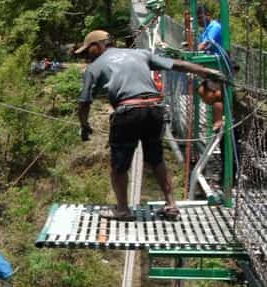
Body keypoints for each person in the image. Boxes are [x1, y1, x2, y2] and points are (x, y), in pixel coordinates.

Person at [74, 30, 221, 221]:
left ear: (98, 45)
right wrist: (207, 71)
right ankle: (171, 205)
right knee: (156, 159)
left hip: (128, 113)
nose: (87, 55)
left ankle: (123, 210)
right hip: (154, 110)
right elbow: (176, 64)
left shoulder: (95, 67)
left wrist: (84, 125)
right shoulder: (139, 54)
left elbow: (84, 101)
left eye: (88, 51)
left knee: (119, 165)